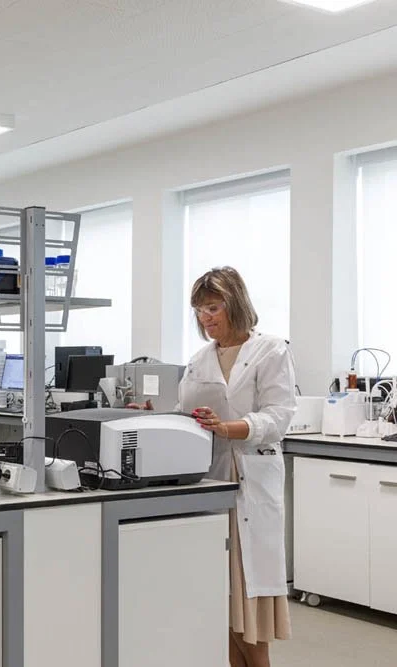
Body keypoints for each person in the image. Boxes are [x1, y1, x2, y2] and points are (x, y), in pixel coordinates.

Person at [179, 267, 296, 667]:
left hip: (250, 479)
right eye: (199, 310)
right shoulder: (199, 360)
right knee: (221, 603)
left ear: (235, 304)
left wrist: (231, 427)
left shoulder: (271, 350)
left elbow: (280, 416)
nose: (206, 318)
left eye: (213, 307)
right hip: (211, 481)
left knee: (250, 607)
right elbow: (186, 413)